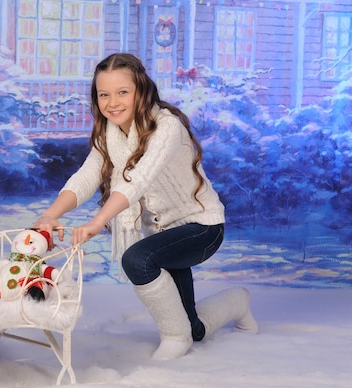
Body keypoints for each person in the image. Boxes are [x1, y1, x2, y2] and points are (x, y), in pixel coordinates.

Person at [33, 53, 258, 360]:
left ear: (141, 90)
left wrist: (98, 222)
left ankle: (175, 337)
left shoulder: (167, 127)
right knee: (196, 329)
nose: (113, 102)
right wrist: (49, 215)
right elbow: (86, 175)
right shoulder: (110, 133)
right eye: (104, 94)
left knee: (138, 259)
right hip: (164, 233)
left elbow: (136, 180)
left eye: (122, 92)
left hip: (202, 227)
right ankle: (236, 303)